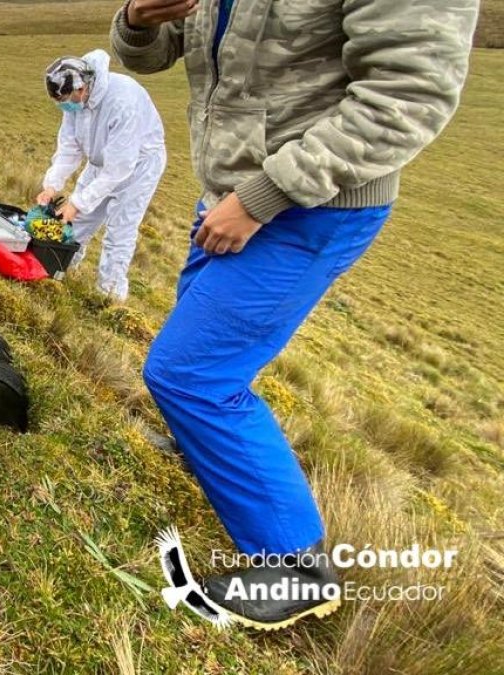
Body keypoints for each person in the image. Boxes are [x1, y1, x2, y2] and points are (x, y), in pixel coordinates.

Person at [111, 0, 478, 628]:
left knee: (193, 375)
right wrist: (138, 20)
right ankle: (202, 449)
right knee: (199, 349)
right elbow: (159, 50)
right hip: (232, 192)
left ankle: (296, 568)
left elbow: (408, 95)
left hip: (312, 203)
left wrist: (263, 197)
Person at [36, 51, 166, 302]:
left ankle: (109, 298)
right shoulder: (75, 102)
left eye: (68, 99)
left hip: (137, 167)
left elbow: (119, 168)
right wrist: (51, 185)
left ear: (83, 87)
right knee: (75, 224)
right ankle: (56, 272)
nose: (66, 106)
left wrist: (78, 202)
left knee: (119, 233)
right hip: (101, 164)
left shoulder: (122, 100)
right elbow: (69, 148)